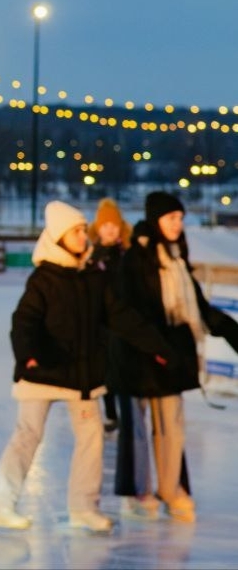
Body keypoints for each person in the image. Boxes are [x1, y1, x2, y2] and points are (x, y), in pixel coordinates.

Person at [0, 200, 172, 533]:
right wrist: (28, 355)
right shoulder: (43, 278)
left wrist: (159, 346)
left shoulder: (92, 277)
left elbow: (122, 318)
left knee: (92, 436)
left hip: (81, 376)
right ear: (58, 237)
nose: (85, 236)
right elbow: (23, 321)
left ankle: (84, 507)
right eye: (77, 231)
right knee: (27, 435)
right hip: (42, 371)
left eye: (85, 230)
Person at [108, 191, 238, 523]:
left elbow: (199, 308)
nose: (178, 225)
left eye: (180, 218)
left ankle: (171, 489)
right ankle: (138, 491)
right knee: (137, 429)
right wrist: (155, 346)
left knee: (171, 428)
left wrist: (233, 332)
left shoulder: (177, 259)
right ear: (156, 220)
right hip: (139, 357)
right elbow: (128, 312)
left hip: (171, 356)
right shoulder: (135, 260)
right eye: (171, 219)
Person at [88, 198, 132, 432]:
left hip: (123, 320)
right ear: (98, 227)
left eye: (114, 225)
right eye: (105, 225)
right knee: (105, 371)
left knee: (121, 369)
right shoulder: (92, 253)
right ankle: (111, 413)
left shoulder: (126, 253)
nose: (110, 229)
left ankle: (125, 412)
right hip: (100, 322)